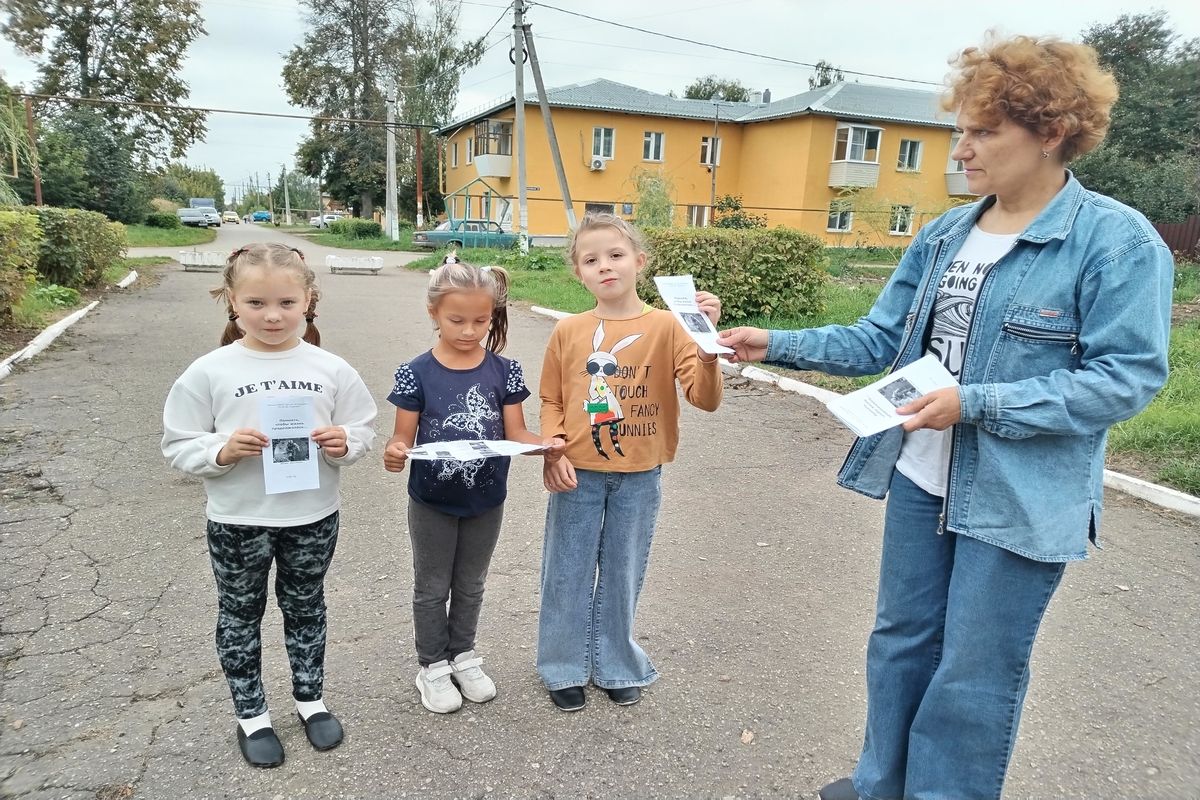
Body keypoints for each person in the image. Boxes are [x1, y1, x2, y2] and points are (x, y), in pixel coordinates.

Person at [719, 34, 1174, 800]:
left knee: (973, 672)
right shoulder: (945, 235)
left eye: (983, 132)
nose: (960, 149)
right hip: (921, 480)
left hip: (1021, 498)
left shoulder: (1115, 241)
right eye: (960, 130)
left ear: (1052, 132)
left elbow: (1125, 380)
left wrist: (978, 402)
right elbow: (879, 339)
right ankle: (880, 787)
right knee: (900, 645)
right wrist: (773, 342)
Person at [161, 243, 377, 768]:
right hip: (239, 519)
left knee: (306, 607)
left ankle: (310, 699)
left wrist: (343, 443)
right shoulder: (210, 371)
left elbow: (362, 428)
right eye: (256, 303)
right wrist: (221, 449)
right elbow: (177, 442)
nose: (273, 315)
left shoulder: (330, 367)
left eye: (285, 302)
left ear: (309, 299)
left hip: (311, 516)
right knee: (240, 614)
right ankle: (253, 715)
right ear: (232, 301)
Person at [538, 213, 724, 711]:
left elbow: (704, 399)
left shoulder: (668, 326)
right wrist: (552, 449)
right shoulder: (570, 331)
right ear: (578, 272)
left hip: (640, 474)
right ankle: (563, 667)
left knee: (623, 571)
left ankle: (617, 663)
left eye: (616, 255)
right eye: (591, 259)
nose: (605, 266)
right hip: (576, 471)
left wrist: (708, 348)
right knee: (567, 570)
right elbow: (552, 399)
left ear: (640, 262)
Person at [383, 253, 563, 714]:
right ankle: (432, 666)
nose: (468, 330)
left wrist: (544, 445)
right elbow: (402, 440)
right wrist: (395, 454)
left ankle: (462, 655)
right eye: (456, 320)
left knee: (471, 583)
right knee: (432, 585)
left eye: (480, 320)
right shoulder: (415, 371)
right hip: (432, 500)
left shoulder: (505, 370)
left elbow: (516, 434)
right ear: (433, 313)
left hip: (486, 498)